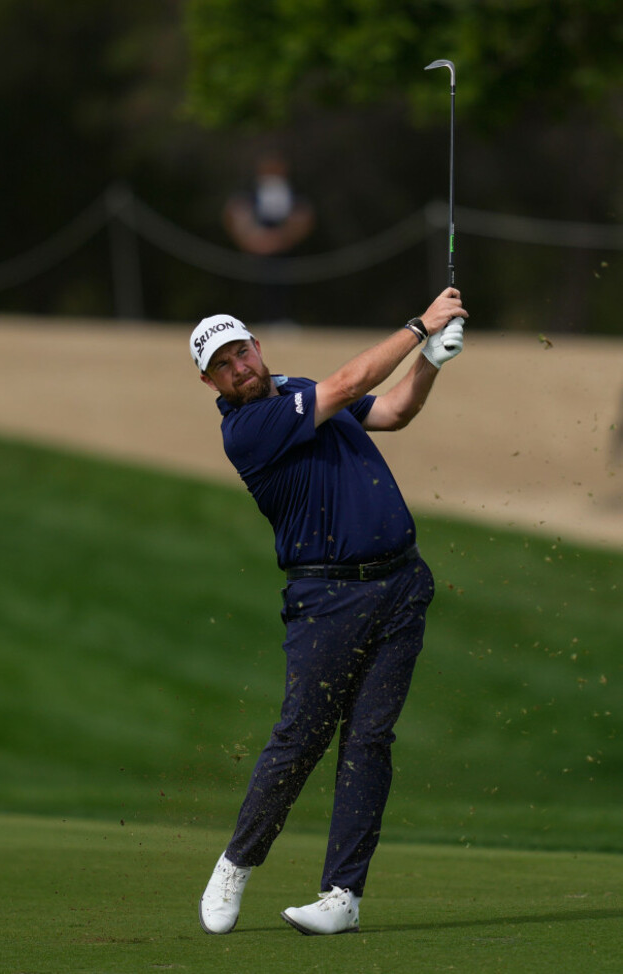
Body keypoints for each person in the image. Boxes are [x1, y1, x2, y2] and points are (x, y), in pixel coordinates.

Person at [189, 287, 468, 936]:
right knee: (301, 740)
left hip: (401, 587)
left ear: (258, 345)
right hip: (328, 600)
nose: (240, 366)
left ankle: (342, 894)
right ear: (211, 380)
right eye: (224, 364)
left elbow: (393, 411)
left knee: (369, 741)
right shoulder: (249, 428)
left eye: (242, 351)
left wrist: (432, 358)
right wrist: (419, 326)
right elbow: (347, 385)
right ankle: (237, 862)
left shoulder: (298, 389)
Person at [222, 153, 314, 324]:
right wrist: (252, 239)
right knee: (254, 284)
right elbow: (235, 216)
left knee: (283, 284)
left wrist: (280, 239)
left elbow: (302, 219)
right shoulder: (247, 192)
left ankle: (281, 318)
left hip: (284, 248)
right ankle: (250, 318)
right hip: (255, 246)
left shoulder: (295, 194)